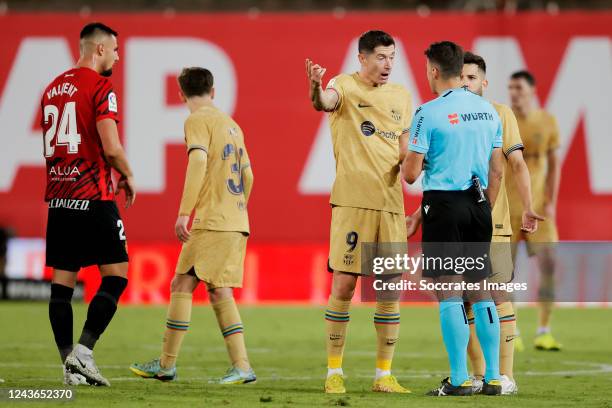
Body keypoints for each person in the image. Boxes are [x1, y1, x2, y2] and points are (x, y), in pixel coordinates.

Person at [130, 67, 256, 385]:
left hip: (211, 219)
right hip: (235, 217)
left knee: (185, 286)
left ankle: (170, 364)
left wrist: (185, 212)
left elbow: (198, 161)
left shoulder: (196, 120)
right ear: (213, 91)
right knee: (204, 287)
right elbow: (249, 176)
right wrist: (237, 208)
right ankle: (235, 366)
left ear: (180, 94)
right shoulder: (232, 125)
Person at [305, 30, 413, 394]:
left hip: (392, 204)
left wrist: (415, 166)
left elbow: (404, 148)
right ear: (362, 58)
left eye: (392, 57)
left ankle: (384, 375)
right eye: (381, 57)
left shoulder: (400, 96)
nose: (388, 64)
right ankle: (334, 370)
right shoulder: (344, 86)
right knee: (345, 284)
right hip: (353, 201)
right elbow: (324, 101)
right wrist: (315, 88)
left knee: (389, 290)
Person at [402, 41, 504, 396]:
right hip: (479, 203)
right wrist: (484, 207)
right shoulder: (489, 111)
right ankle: (493, 377)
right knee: (481, 289)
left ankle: (460, 378)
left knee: (449, 289)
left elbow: (411, 175)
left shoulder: (427, 113)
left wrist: (413, 155)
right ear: (461, 69)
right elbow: (497, 167)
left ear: (433, 70)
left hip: (444, 205)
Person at [42, 22, 135, 386]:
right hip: (93, 196)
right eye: (114, 49)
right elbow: (110, 147)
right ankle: (83, 353)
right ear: (98, 49)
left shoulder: (52, 88)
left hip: (59, 198)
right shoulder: (100, 87)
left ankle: (69, 364)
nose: (117, 56)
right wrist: (128, 173)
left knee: (62, 286)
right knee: (117, 274)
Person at [461, 51, 544, 394]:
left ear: (484, 82)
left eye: (471, 78)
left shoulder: (500, 113)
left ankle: (506, 376)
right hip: (458, 224)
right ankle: (481, 376)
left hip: (493, 222)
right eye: (460, 77)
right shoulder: (451, 115)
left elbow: (517, 163)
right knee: (464, 298)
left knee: (498, 294)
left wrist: (527, 206)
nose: (465, 83)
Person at [507, 70, 562, 351]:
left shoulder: (547, 122)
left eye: (518, 87)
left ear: (532, 89)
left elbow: (553, 164)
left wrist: (551, 199)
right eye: (510, 87)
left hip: (538, 208)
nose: (513, 92)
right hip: (507, 208)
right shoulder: (505, 120)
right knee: (506, 272)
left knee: (549, 265)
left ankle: (544, 329)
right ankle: (512, 330)